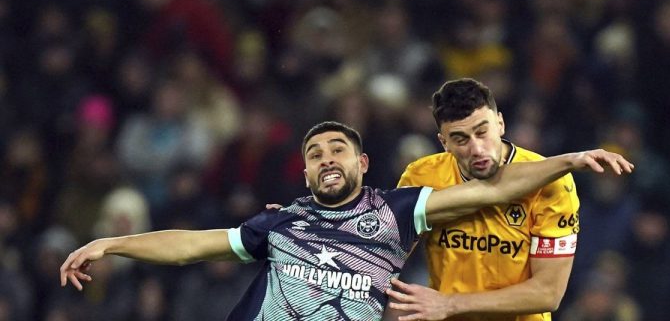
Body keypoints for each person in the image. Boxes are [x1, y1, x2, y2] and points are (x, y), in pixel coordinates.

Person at [60, 121, 632, 321]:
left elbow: (498, 186)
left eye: (337, 150)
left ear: (361, 163)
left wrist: (570, 161)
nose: (326, 159)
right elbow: (190, 246)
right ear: (306, 175)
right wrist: (112, 243)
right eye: (314, 154)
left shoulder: (400, 209)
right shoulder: (281, 224)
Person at [389, 78, 586, 321]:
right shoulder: (421, 176)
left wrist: (450, 303)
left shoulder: (551, 182)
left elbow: (548, 293)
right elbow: (388, 259)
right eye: (461, 139)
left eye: (482, 132)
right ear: (444, 143)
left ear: (500, 124)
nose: (477, 149)